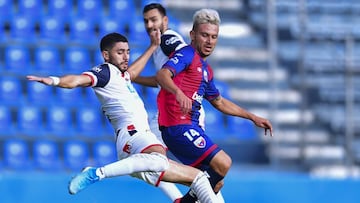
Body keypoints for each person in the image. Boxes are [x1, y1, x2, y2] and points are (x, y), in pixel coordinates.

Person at [26, 32, 220, 203]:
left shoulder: (121, 75)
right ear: (106, 55)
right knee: (160, 161)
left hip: (138, 144)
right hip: (132, 136)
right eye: (120, 52)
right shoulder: (105, 71)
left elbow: (133, 72)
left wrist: (153, 46)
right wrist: (54, 80)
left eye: (128, 51)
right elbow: (77, 80)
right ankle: (96, 173)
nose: (126, 56)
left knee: (200, 179)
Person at [156, 9, 274, 202]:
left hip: (190, 127)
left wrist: (253, 117)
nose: (210, 41)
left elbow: (218, 101)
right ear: (192, 35)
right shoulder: (186, 54)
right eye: (204, 35)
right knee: (223, 162)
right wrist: (178, 93)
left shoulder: (206, 70)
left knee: (216, 182)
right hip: (177, 126)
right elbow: (163, 75)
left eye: (214, 37)